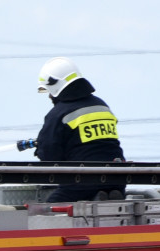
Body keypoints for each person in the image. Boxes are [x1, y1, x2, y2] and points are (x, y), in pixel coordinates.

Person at [32, 57, 126, 203]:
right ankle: (105, 195)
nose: (50, 96)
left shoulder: (58, 114)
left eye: (49, 90)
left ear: (55, 85)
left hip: (82, 181)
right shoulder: (102, 105)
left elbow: (49, 156)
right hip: (117, 178)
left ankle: (95, 195)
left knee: (46, 212)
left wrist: (40, 149)